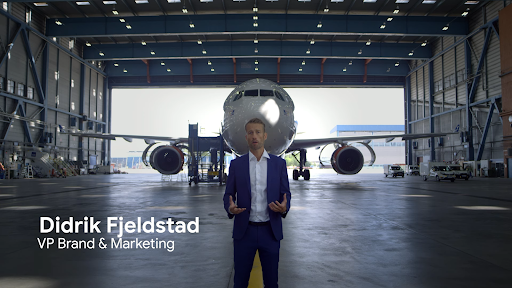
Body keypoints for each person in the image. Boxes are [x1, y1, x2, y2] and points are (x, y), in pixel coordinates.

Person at [223, 117, 291, 288]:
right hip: (244, 233)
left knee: (271, 282)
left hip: (270, 231)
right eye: (250, 132)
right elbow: (228, 194)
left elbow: (286, 194)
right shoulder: (237, 165)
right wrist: (230, 208)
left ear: (265, 136)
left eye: (258, 132)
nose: (254, 136)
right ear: (246, 137)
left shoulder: (279, 164)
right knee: (240, 282)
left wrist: (284, 208)